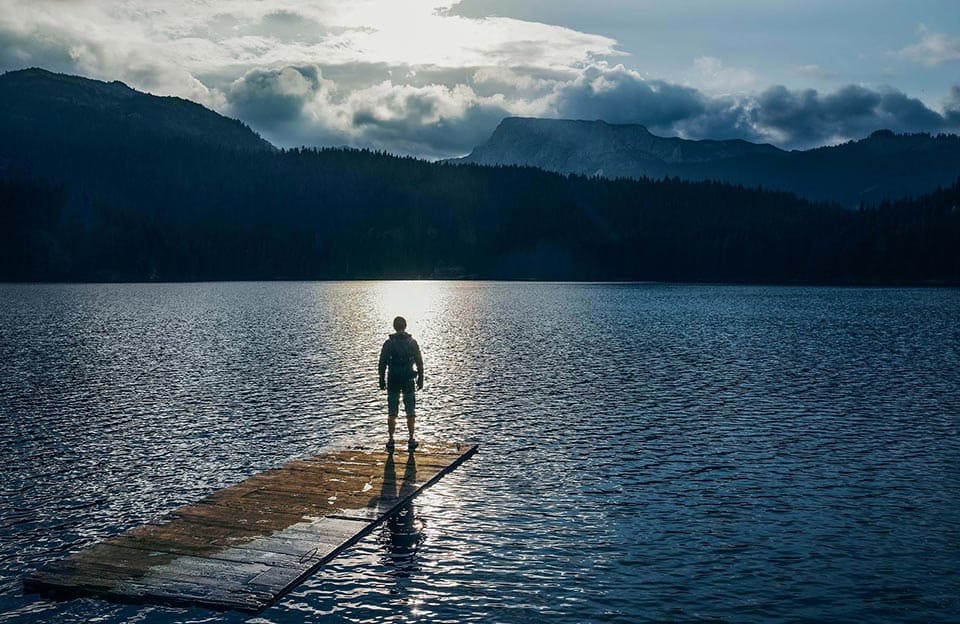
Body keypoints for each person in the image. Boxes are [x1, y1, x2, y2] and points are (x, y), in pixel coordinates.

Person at [378, 316, 424, 451]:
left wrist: (381, 379)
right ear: (405, 326)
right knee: (410, 410)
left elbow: (382, 363)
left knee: (392, 410)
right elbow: (419, 362)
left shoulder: (388, 343)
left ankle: (391, 440)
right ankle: (411, 439)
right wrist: (421, 377)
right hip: (408, 379)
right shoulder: (412, 342)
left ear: (394, 327)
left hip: (393, 380)